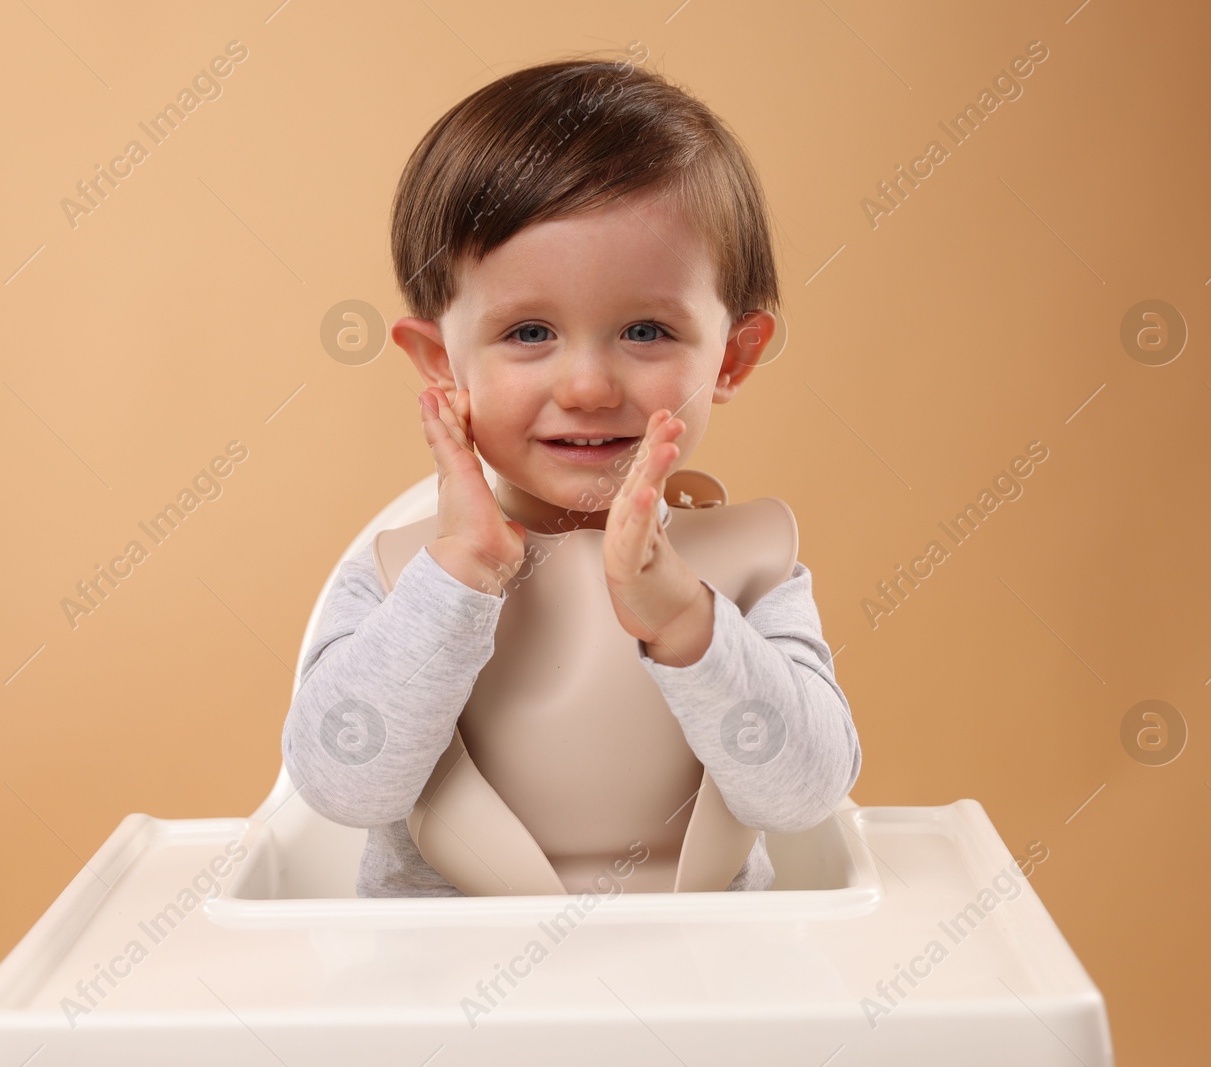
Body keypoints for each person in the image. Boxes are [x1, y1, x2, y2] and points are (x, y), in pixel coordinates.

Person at [284, 52, 861, 897]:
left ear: (731, 356)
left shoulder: (748, 567)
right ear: (442, 363)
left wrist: (687, 622)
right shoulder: (399, 578)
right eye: (528, 333)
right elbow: (341, 785)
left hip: (706, 987)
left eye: (645, 330)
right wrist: (462, 574)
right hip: (443, 998)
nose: (587, 387)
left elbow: (807, 790)